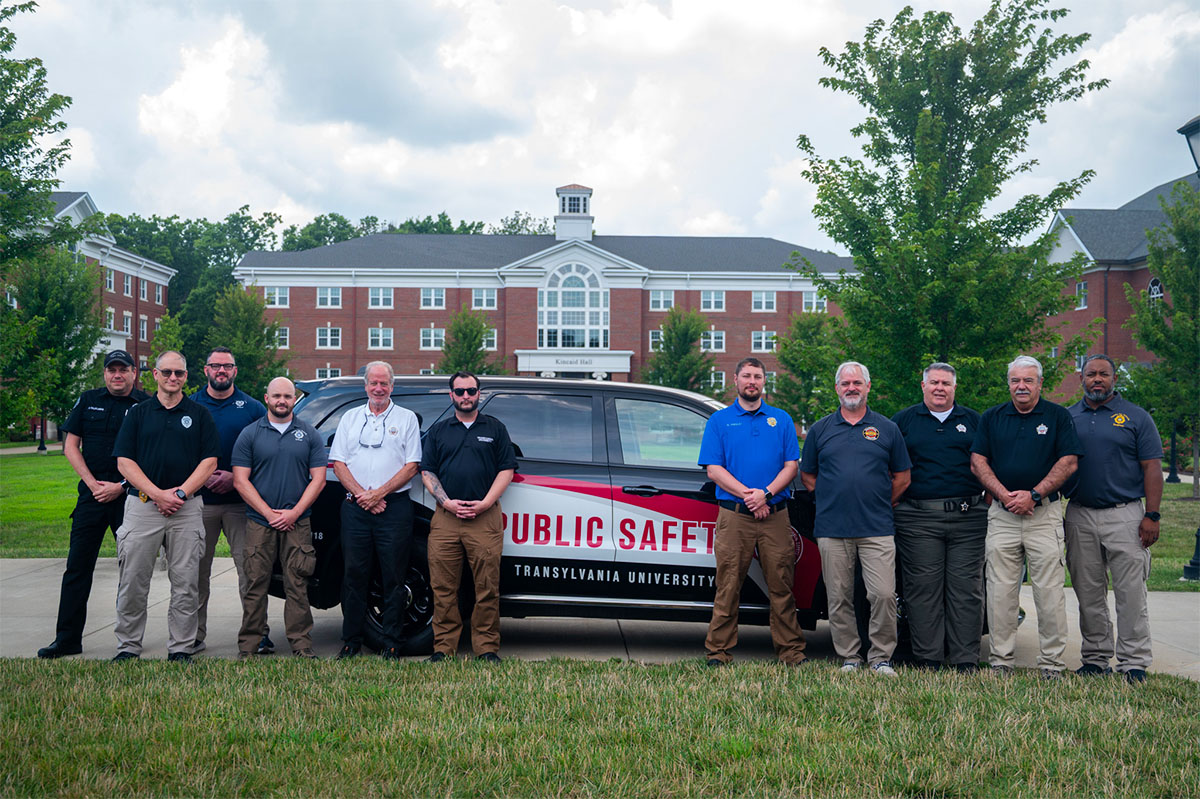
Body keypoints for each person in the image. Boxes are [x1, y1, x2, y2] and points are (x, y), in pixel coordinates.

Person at [970, 355, 1082, 679]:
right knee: (1000, 591)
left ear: (1040, 384)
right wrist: (1006, 496)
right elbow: (978, 461)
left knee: (1049, 593)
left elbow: (1069, 462)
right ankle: (1000, 661)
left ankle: (1051, 664)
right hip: (1002, 516)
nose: (1021, 386)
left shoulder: (1058, 417)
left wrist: (1032, 495)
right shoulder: (992, 417)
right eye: (1015, 380)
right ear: (1009, 383)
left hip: (1043, 515)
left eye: (1028, 380)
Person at [800, 361, 912, 676]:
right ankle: (850, 656)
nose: (851, 388)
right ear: (837, 388)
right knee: (838, 597)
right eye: (845, 383)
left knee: (883, 595)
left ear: (867, 387)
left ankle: (881, 657)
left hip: (876, 527)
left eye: (857, 383)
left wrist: (879, 501)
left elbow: (902, 477)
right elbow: (808, 474)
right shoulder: (821, 429)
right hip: (832, 529)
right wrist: (831, 498)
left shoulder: (887, 428)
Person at [37, 350, 149, 658]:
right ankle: (67, 639)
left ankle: (129, 642)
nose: (117, 375)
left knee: (131, 572)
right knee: (77, 568)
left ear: (134, 373)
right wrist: (91, 483)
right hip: (91, 497)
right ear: (104, 373)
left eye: (123, 369)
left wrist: (121, 486)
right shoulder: (87, 400)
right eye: (111, 369)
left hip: (129, 497)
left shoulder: (145, 405)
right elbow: (71, 445)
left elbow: (151, 454)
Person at [698, 357, 808, 667]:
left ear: (764, 382)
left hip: (775, 516)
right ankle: (718, 652)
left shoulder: (781, 420)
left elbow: (792, 466)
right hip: (735, 516)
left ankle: (791, 652)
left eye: (757, 376)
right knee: (728, 584)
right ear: (735, 380)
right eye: (746, 375)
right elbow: (714, 470)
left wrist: (767, 495)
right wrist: (750, 496)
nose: (752, 381)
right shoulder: (719, 421)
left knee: (782, 585)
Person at [111, 351, 219, 662]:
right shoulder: (138, 414)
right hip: (142, 506)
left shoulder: (199, 415)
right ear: (155, 375)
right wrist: (158, 494)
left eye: (179, 373)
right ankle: (128, 646)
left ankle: (182, 648)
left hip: (186, 510)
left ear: (187, 377)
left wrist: (181, 494)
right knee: (132, 580)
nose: (173, 378)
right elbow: (124, 461)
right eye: (167, 372)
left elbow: (209, 461)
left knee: (186, 583)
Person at [1064, 354, 1163, 683]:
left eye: (1103, 374)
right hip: (1079, 514)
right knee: (1088, 591)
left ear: (1114, 379)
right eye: (1090, 373)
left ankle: (1134, 662)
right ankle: (1095, 658)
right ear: (1081, 378)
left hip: (1126, 516)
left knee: (1130, 592)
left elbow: (1152, 468)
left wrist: (1152, 514)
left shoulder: (1136, 417)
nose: (1096, 379)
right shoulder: (1068, 418)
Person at [891, 363, 987, 672]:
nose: (939, 388)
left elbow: (989, 464)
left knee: (967, 591)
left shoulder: (974, 421)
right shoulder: (903, 422)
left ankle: (964, 659)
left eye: (946, 383)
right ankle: (929, 657)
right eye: (934, 382)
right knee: (922, 591)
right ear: (923, 386)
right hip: (917, 519)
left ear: (955, 388)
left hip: (968, 517)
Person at [420, 372, 517, 663]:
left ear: (479, 393)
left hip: (485, 518)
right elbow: (427, 471)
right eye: (460, 391)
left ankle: (486, 648)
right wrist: (447, 503)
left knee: (487, 586)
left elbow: (506, 469)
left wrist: (486, 503)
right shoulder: (438, 431)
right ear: (451, 395)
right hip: (446, 518)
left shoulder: (495, 428)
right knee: (443, 586)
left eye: (471, 390)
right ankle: (443, 648)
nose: (466, 396)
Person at [328, 361, 421, 659]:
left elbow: (412, 465)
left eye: (384, 383)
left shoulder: (406, 419)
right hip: (355, 508)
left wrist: (379, 493)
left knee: (394, 575)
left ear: (392, 386)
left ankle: (391, 642)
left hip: (394, 508)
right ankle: (351, 641)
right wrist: (362, 495)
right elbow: (338, 462)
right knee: (354, 574)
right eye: (373, 383)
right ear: (365, 386)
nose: (378, 388)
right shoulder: (350, 418)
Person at [231, 377, 327, 659]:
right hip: (259, 522)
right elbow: (240, 480)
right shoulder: (250, 434)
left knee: (297, 583)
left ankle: (301, 645)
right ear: (266, 398)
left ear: (294, 399)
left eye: (287, 396)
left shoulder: (308, 434)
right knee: (255, 583)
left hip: (298, 522)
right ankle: (249, 645)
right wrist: (268, 513)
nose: (282, 401)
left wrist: (294, 513)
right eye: (277, 396)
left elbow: (318, 479)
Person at [191, 347, 268, 654]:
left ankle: (258, 633)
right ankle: (193, 635)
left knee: (250, 571)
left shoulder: (252, 408)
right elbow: (181, 450)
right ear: (206, 370)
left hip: (241, 504)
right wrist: (203, 476)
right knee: (196, 573)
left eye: (227, 366)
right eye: (215, 366)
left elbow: (264, 453)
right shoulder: (191, 404)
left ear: (235, 371)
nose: (221, 371)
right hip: (199, 504)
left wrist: (235, 479)